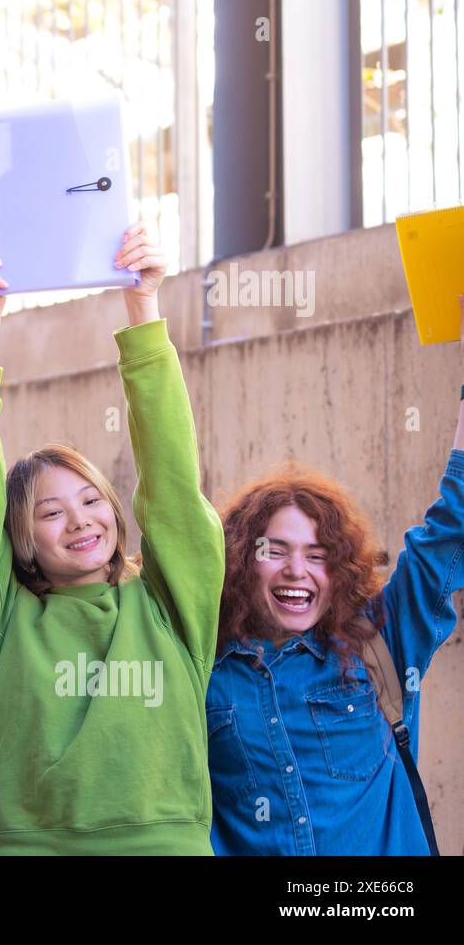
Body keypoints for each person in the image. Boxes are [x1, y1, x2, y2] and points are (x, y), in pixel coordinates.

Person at [0, 228, 225, 854]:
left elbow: (171, 479)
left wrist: (143, 309)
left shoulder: (170, 604)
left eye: (91, 501)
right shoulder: (5, 622)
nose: (80, 521)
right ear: (22, 541)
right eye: (51, 513)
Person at [208, 305, 464, 855]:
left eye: (318, 554)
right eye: (275, 551)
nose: (297, 569)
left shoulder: (382, 641)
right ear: (241, 561)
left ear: (339, 567)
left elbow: (452, 526)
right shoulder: (204, 669)